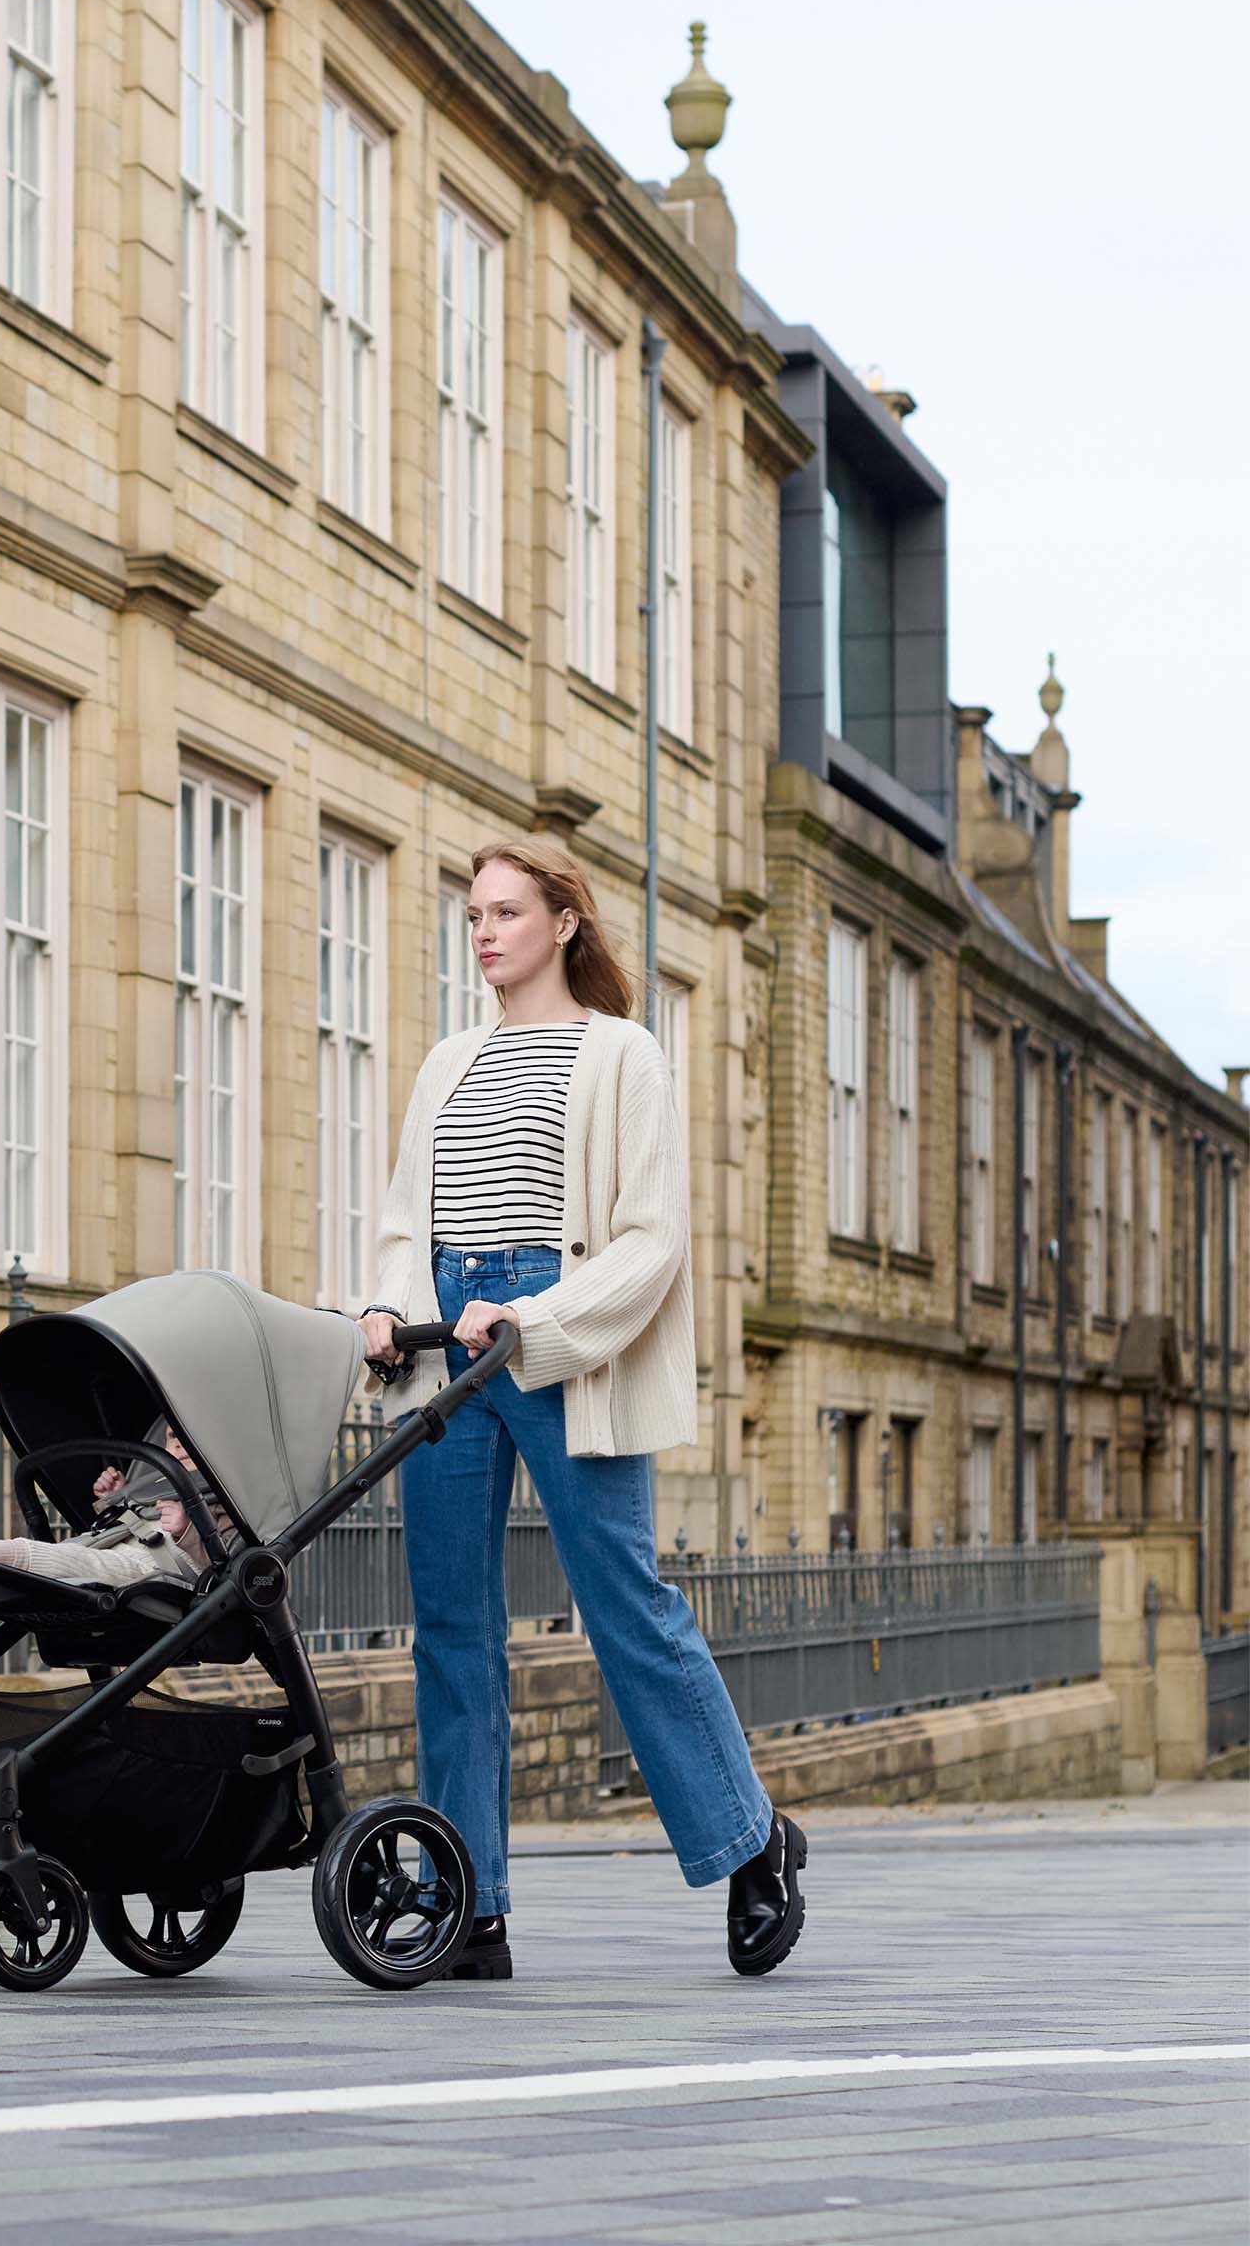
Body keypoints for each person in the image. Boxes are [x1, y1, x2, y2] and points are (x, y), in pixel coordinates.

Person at [358, 835, 806, 1983]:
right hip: (444, 1355)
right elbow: (411, 1220)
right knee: (450, 1628)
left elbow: (650, 1242)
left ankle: (749, 1843)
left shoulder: (622, 1056)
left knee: (622, 1604)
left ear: (563, 922)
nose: (484, 933)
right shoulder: (446, 1063)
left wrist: (533, 1323)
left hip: (555, 1343)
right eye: (472, 917)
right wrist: (386, 1306)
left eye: (505, 912)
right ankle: (469, 1903)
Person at [0, 1431, 223, 1588]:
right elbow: (113, 1528)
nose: (180, 1447)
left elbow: (229, 1560)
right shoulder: (155, 1480)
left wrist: (188, 1531)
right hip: (124, 1547)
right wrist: (116, 1499)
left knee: (86, 1564)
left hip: (167, 1566)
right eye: (174, 1439)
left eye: (189, 1440)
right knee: (74, 1553)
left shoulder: (229, 1492)